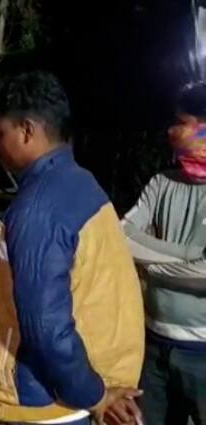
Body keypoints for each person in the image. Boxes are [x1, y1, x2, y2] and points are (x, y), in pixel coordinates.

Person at [0, 71, 145, 425]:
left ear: (27, 131)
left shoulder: (38, 208)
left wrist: (93, 395)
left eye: (0, 134)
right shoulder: (82, 184)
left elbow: (46, 326)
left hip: (40, 403)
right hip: (76, 389)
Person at [122, 82, 206, 425]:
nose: (171, 131)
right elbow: (121, 237)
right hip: (153, 344)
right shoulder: (161, 183)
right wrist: (190, 255)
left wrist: (148, 262)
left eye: (181, 122)